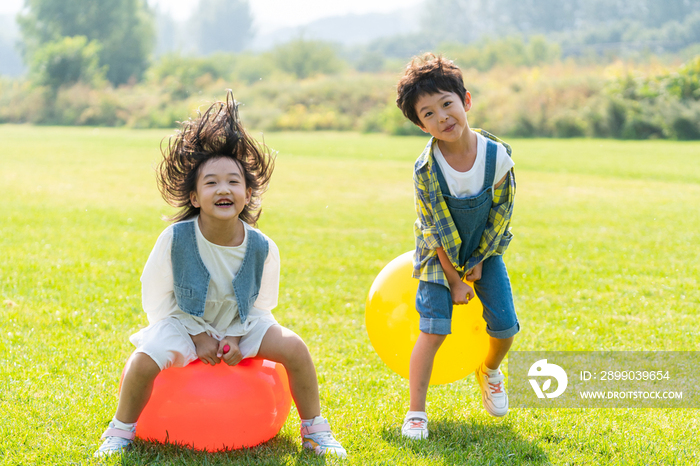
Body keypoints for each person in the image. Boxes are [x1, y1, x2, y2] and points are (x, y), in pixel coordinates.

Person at [94, 91, 346, 458]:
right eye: (211, 182)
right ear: (195, 197)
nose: (223, 189)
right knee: (142, 361)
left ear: (247, 194)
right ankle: (120, 430)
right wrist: (196, 335)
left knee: (295, 348)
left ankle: (314, 429)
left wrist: (236, 337)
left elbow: (261, 306)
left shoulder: (262, 247)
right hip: (182, 322)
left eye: (233, 181)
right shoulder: (176, 239)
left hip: (242, 323)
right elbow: (157, 300)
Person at [395, 54, 520, 439]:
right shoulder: (426, 169)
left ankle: (490, 371)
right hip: (438, 255)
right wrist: (454, 279)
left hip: (485, 247)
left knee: (505, 327)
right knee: (433, 331)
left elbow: (502, 214)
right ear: (420, 125)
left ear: (465, 101)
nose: (442, 117)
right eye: (428, 114)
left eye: (447, 104)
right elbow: (432, 228)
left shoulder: (497, 157)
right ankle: (416, 413)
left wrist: (481, 259)